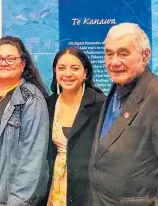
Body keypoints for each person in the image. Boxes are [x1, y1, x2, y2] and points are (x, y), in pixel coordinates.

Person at [89, 23, 158, 206]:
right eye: (109, 53)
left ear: (145, 55)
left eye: (123, 53)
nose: (114, 62)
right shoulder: (116, 88)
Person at [0, 36, 50, 206]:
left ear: (23, 64)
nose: (3, 63)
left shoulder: (31, 98)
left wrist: (18, 201)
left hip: (5, 197)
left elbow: (33, 157)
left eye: (11, 59)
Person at [45, 47, 105, 206]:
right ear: (55, 72)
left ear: (85, 73)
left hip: (87, 191)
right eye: (61, 68)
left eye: (75, 68)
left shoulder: (100, 105)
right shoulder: (49, 105)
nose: (68, 74)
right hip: (53, 188)